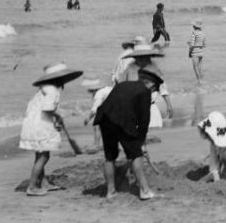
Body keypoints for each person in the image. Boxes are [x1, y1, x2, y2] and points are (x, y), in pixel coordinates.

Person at [94, 66, 163, 200]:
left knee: (109, 157)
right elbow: (144, 120)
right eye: (154, 89)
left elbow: (115, 104)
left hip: (105, 119)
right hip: (122, 121)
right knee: (136, 155)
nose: (153, 92)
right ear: (151, 84)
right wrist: (141, 143)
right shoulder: (144, 92)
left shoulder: (122, 85)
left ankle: (111, 191)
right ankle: (145, 190)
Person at [19, 63, 83, 196]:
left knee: (39, 154)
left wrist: (56, 116)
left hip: (31, 124)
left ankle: (42, 182)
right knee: (44, 156)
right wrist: (57, 117)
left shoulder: (43, 89)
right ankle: (32, 186)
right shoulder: (53, 90)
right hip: (41, 125)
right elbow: (48, 109)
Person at [82, 77, 112, 149]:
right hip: (116, 107)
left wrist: (88, 119)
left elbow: (95, 109)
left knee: (97, 125)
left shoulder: (99, 93)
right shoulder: (106, 89)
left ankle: (96, 145)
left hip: (114, 108)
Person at [187, 20, 206, 84]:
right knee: (200, 66)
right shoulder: (203, 33)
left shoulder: (194, 33)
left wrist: (189, 53)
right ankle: (202, 79)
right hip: (201, 52)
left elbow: (192, 45)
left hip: (195, 52)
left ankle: (199, 80)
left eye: (193, 25)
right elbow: (204, 44)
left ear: (194, 27)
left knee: (195, 67)